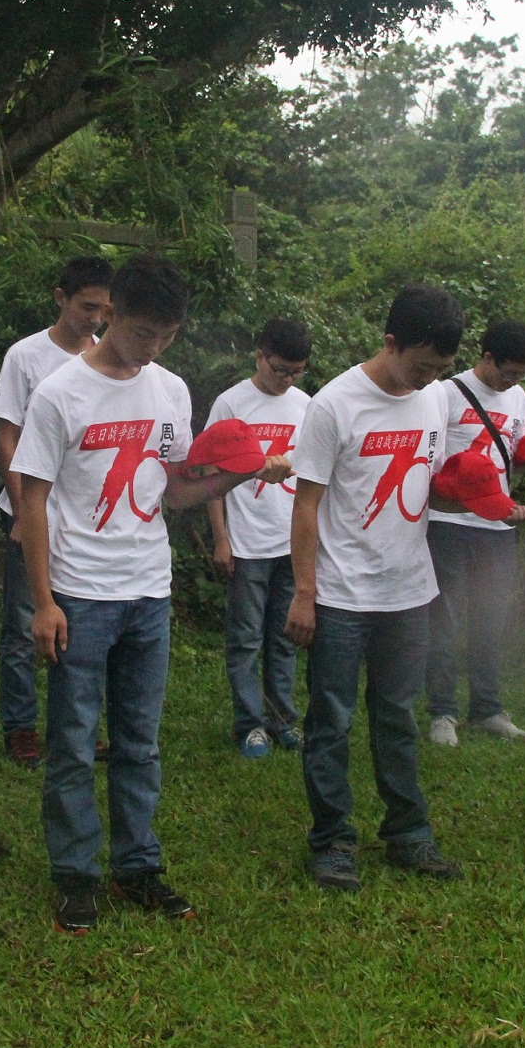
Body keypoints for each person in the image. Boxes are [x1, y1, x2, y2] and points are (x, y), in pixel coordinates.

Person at [12, 254, 288, 934]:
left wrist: (241, 474)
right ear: (109, 314)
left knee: (140, 740)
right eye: (142, 332)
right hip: (81, 592)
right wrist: (44, 601)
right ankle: (75, 874)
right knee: (74, 742)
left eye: (167, 336)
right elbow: (32, 501)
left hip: (148, 590)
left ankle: (137, 865)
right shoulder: (60, 393)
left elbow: (176, 491)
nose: (153, 347)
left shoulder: (169, 390)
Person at [288, 284, 486, 893]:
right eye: (421, 366)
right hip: (342, 594)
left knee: (398, 715)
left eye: (440, 370)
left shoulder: (434, 399)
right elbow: (306, 503)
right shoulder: (334, 405)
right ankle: (333, 841)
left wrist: (475, 498)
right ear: (391, 343)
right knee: (331, 720)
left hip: (408, 591)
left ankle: (408, 833)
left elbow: (425, 487)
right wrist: (304, 591)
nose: (429, 380)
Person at [0, 255, 113, 768]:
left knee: (85, 621)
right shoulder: (26, 356)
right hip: (31, 507)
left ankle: (76, 723)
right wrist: (23, 510)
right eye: (87, 306)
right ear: (60, 298)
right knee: (24, 621)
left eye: (105, 309)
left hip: (83, 515)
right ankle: (20, 726)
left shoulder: (109, 359)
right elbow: (7, 434)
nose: (96, 318)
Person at [425, 318, 525, 749]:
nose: (513, 382)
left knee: (492, 618)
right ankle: (442, 711)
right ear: (487, 357)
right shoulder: (446, 393)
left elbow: (510, 459)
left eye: (521, 375)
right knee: (445, 619)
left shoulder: (518, 397)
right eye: (508, 373)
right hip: (449, 524)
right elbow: (430, 459)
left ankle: (487, 708)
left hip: (496, 524)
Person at [204, 317, 312, 758]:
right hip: (247, 542)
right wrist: (221, 538)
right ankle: (250, 724)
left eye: (296, 372)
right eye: (280, 369)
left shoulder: (306, 405)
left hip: (292, 540)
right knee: (246, 639)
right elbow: (211, 476)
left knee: (285, 637)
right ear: (260, 357)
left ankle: (282, 719)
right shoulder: (231, 403)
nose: (286, 379)